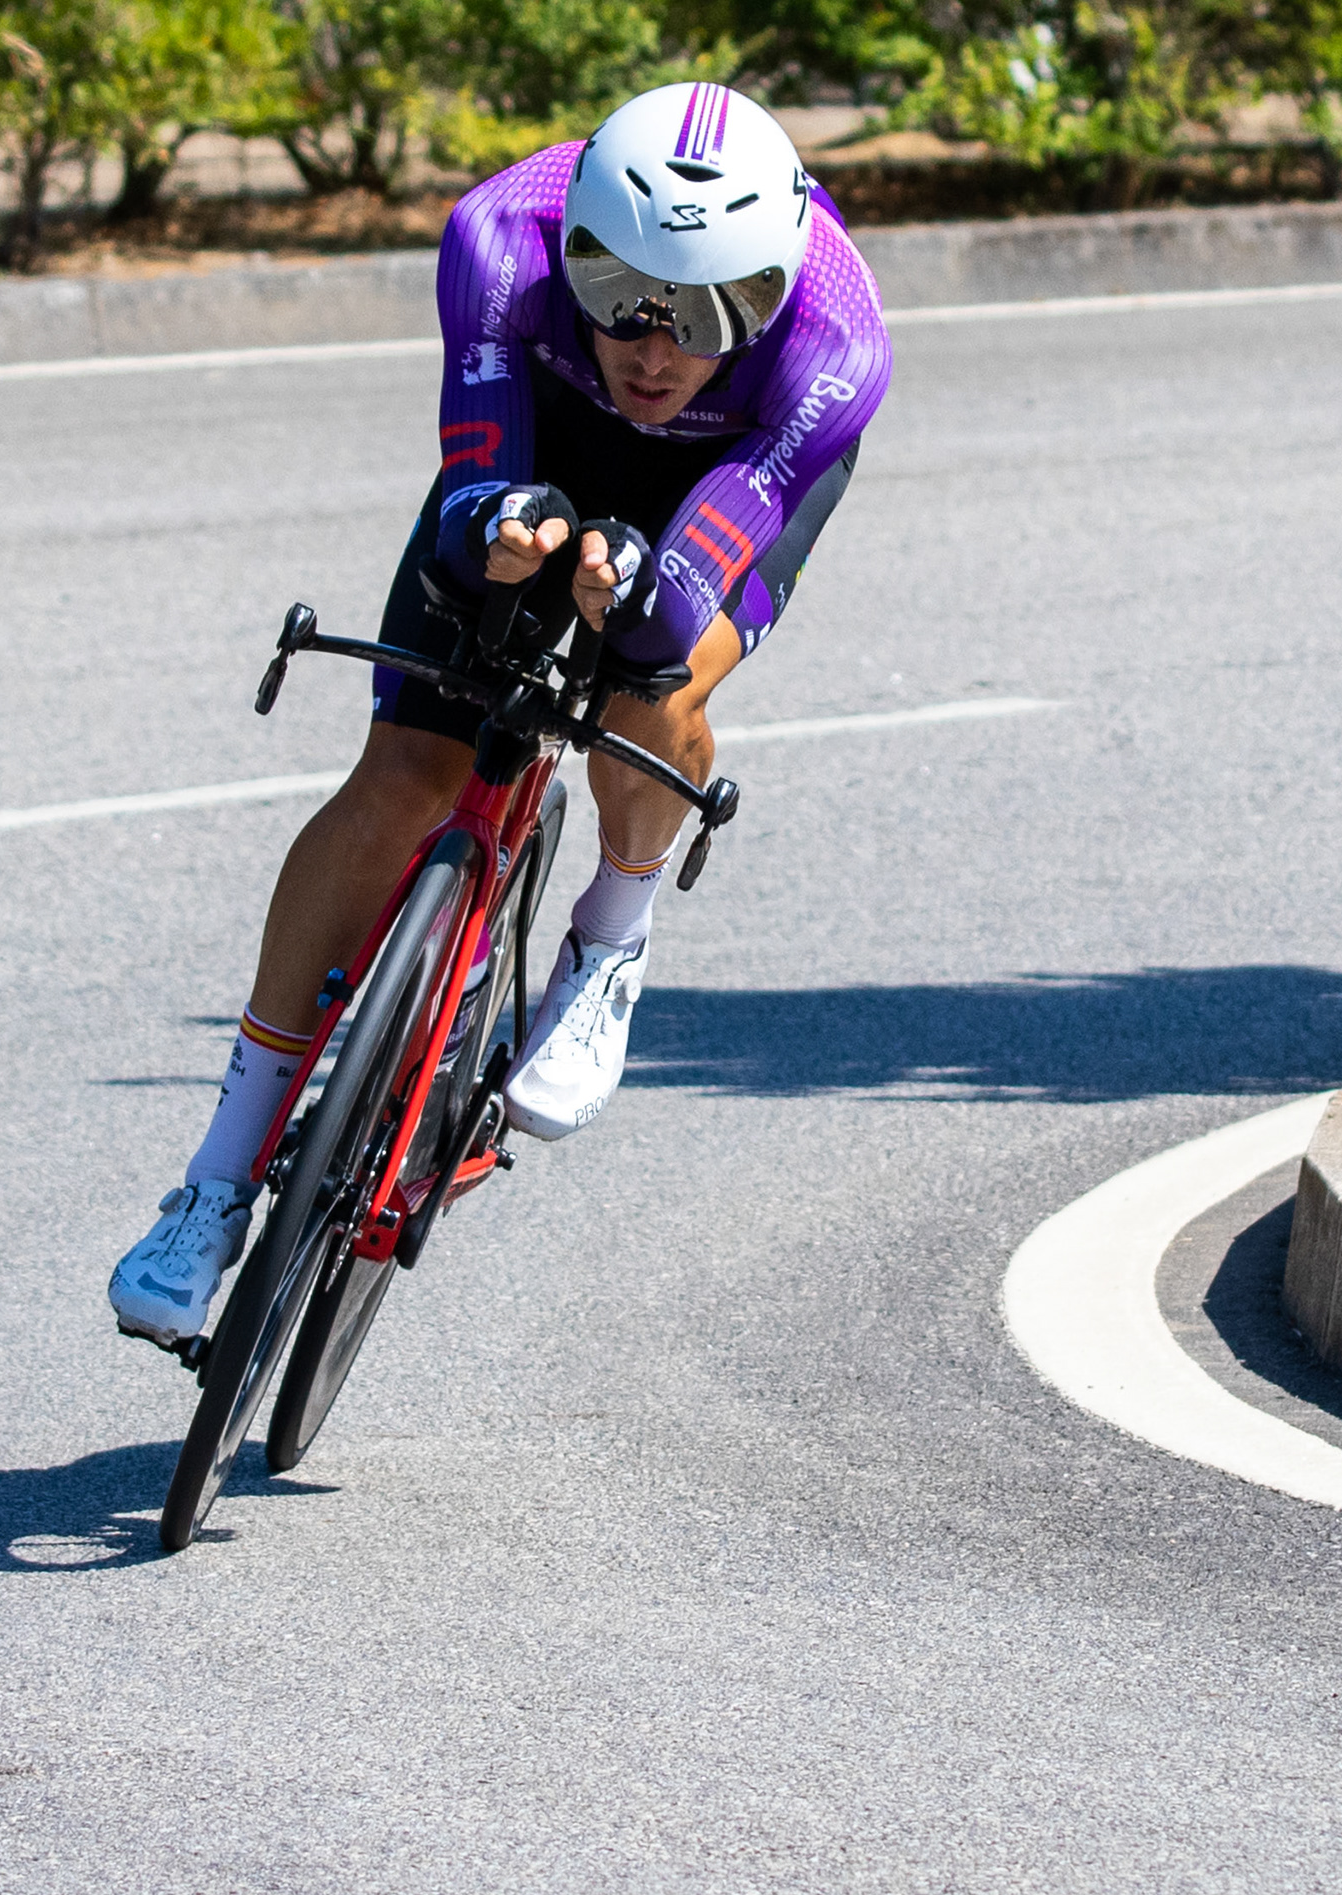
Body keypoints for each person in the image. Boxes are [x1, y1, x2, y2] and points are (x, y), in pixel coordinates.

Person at [109, 83, 892, 1350]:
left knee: (651, 685)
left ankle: (609, 941)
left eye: (703, 314)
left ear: (767, 292)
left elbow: (678, 597)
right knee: (404, 773)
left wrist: (632, 594)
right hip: (544, 435)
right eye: (621, 296)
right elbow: (478, 481)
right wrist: (502, 525)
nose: (652, 346)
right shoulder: (498, 237)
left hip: (715, 486)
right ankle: (212, 1183)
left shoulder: (834, 348)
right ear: (571, 246)